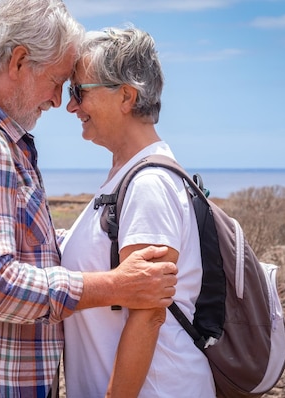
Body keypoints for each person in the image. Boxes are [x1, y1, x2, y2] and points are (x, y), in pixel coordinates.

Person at [0, 1, 179, 396]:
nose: (59, 100)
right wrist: (115, 286)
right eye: (58, 81)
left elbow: (17, 244)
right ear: (18, 62)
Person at [61, 27, 216, 397]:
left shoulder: (148, 185)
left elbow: (148, 315)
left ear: (126, 96)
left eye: (78, 91)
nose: (71, 106)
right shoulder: (127, 177)